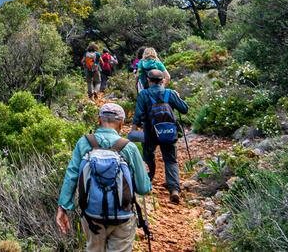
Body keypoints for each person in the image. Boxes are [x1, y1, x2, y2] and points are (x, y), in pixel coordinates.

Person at [56, 103, 152, 251]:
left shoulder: (84, 143)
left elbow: (72, 175)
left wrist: (63, 208)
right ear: (121, 123)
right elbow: (144, 188)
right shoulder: (129, 147)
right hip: (122, 216)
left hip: (91, 216)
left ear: (99, 120)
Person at [132, 69, 189, 203]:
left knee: (148, 156)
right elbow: (184, 109)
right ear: (163, 81)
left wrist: (134, 130)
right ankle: (174, 189)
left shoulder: (143, 94)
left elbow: (138, 117)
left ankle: (147, 181)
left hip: (149, 132)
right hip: (168, 132)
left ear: (148, 80)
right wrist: (177, 97)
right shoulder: (170, 93)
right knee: (170, 159)